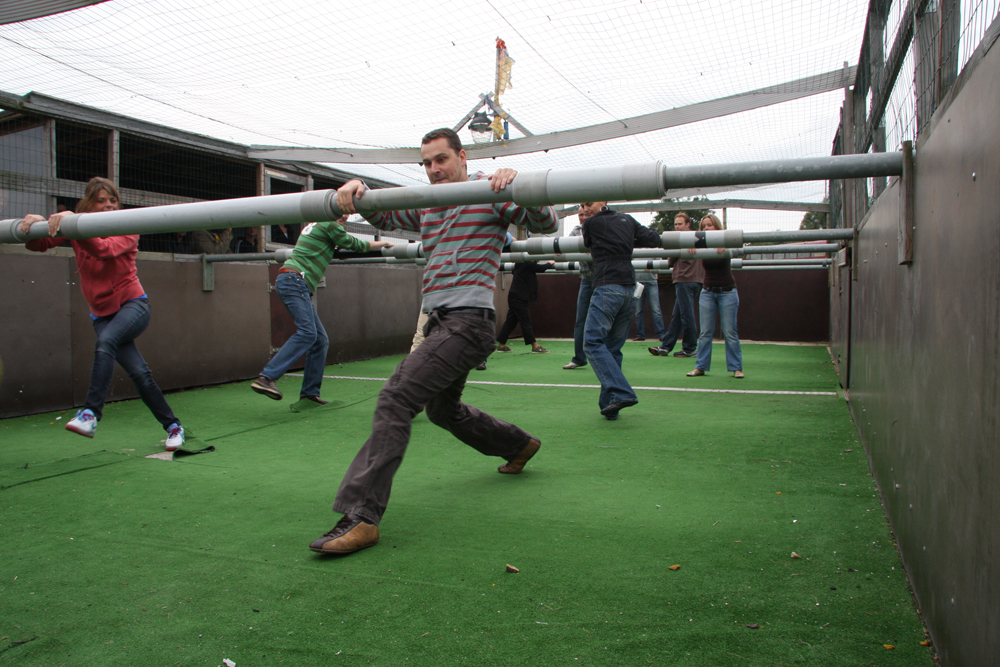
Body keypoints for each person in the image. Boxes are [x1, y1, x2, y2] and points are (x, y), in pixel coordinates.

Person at [309, 127, 558, 555]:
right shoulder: (427, 205)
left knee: (395, 397)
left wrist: (519, 183)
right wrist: (357, 189)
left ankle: (361, 516)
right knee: (442, 409)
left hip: (470, 321)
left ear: (462, 158)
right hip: (440, 322)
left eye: (440, 159)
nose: (433, 169)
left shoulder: (489, 192)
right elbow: (384, 216)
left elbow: (545, 222)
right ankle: (517, 444)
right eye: (426, 163)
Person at [20, 177, 185, 450]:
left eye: (112, 200)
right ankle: (174, 427)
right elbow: (37, 245)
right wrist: (34, 224)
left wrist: (71, 222)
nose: (108, 206)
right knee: (140, 373)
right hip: (102, 316)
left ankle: (90, 414)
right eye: (100, 201)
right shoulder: (77, 225)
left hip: (134, 306)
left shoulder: (128, 226)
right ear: (88, 204)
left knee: (106, 342)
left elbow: (103, 249)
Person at [251, 214, 392, 403]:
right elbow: (358, 246)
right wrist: (382, 243)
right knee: (308, 333)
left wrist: (335, 249)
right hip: (295, 280)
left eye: (347, 213)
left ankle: (310, 392)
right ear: (328, 211)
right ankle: (267, 377)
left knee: (320, 340)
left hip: (292, 280)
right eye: (340, 211)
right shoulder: (330, 225)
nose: (344, 216)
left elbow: (331, 246)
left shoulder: (315, 225)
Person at [583, 204, 661, 419]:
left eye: (587, 205)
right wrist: (627, 238)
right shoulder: (627, 220)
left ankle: (622, 392)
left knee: (592, 342)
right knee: (612, 348)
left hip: (607, 286)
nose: (584, 209)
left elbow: (587, 243)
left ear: (599, 205)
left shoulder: (591, 223)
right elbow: (654, 239)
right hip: (629, 289)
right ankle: (609, 407)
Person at [686, 214, 744, 379]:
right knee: (705, 332)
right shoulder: (702, 244)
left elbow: (739, 251)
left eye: (709, 225)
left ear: (717, 227)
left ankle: (736, 368)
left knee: (729, 332)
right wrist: (692, 249)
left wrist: (726, 250)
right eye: (704, 226)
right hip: (708, 292)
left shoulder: (725, 241)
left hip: (727, 292)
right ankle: (701, 367)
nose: (706, 229)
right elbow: (690, 250)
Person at [649, 212, 704, 358]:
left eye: (680, 224)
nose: (677, 227)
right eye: (676, 224)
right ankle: (666, 346)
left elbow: (669, 261)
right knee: (678, 316)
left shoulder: (682, 240)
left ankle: (690, 348)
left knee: (686, 315)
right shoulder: (699, 239)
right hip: (695, 280)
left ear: (688, 225)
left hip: (685, 280)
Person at [562, 202, 600, 370]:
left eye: (586, 214)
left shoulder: (601, 228)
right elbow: (563, 245)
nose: (583, 217)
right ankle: (579, 358)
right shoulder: (577, 231)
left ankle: (606, 356)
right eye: (580, 215)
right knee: (581, 320)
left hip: (603, 280)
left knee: (603, 320)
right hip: (586, 279)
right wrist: (559, 249)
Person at [495, 253, 554, 354]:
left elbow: (514, 271)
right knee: (526, 322)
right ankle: (535, 346)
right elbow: (542, 268)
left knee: (511, 322)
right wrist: (550, 262)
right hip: (520, 298)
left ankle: (501, 345)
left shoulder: (519, 264)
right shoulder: (528, 264)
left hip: (514, 296)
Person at [631, 260, 666, 342]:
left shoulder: (655, 250)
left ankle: (661, 334)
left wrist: (652, 268)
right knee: (638, 310)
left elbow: (660, 266)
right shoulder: (637, 249)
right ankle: (640, 334)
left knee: (656, 309)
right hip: (637, 282)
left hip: (652, 282)